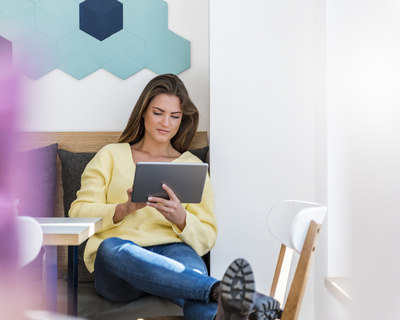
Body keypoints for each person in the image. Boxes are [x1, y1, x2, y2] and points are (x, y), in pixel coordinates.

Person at [69, 74, 282, 320]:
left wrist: (182, 218)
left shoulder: (191, 165)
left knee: (192, 282)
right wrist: (124, 209)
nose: (166, 123)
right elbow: (78, 213)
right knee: (109, 247)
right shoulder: (110, 156)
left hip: (174, 252)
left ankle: (223, 312)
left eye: (175, 116)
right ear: (143, 112)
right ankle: (218, 289)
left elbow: (207, 236)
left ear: (182, 120)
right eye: (158, 112)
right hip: (120, 265)